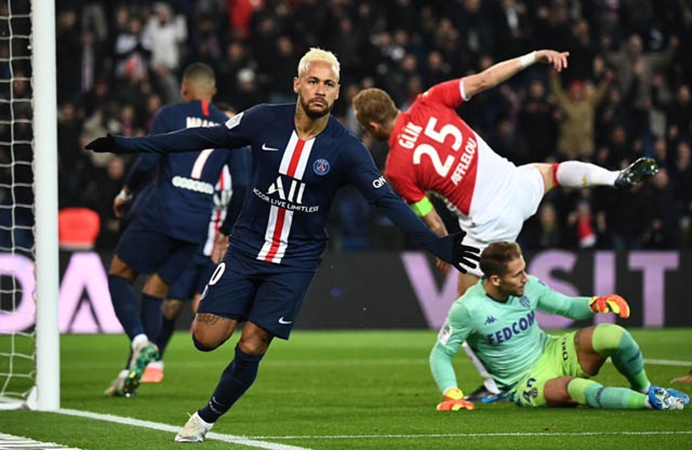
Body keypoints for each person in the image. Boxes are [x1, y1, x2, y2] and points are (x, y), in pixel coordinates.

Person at [85, 48, 481, 443]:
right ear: (297, 84)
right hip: (246, 248)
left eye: (328, 84)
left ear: (337, 92)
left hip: (296, 259)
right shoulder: (262, 120)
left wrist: (435, 243)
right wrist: (129, 144)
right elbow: (202, 137)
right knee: (205, 339)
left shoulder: (345, 149)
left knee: (254, 343)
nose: (320, 90)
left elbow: (387, 201)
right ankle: (242, 303)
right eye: (313, 81)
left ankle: (204, 420)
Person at [352, 49, 658, 399]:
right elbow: (485, 80)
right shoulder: (428, 100)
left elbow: (432, 218)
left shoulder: (397, 167)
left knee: (464, 312)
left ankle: (496, 383)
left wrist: (444, 247)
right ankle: (614, 177)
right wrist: (533, 57)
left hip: (487, 223)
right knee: (552, 172)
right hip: (515, 185)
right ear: (393, 105)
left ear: (373, 127)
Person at [101, 62, 250, 398]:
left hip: (163, 212)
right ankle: (132, 373)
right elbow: (242, 186)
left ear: (184, 89)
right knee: (155, 292)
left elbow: (149, 159)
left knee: (119, 274)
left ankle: (140, 342)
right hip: (197, 225)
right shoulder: (230, 126)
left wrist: (126, 192)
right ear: (212, 93)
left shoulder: (169, 114)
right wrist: (225, 230)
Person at [430, 241, 689, 411]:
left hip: (553, 350)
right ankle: (650, 403)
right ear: (496, 279)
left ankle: (646, 388)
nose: (525, 278)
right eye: (517, 274)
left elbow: (565, 306)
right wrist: (452, 393)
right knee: (577, 388)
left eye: (524, 269)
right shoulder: (468, 308)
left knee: (615, 335)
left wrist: (596, 303)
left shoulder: (528, 286)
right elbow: (441, 354)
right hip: (525, 382)